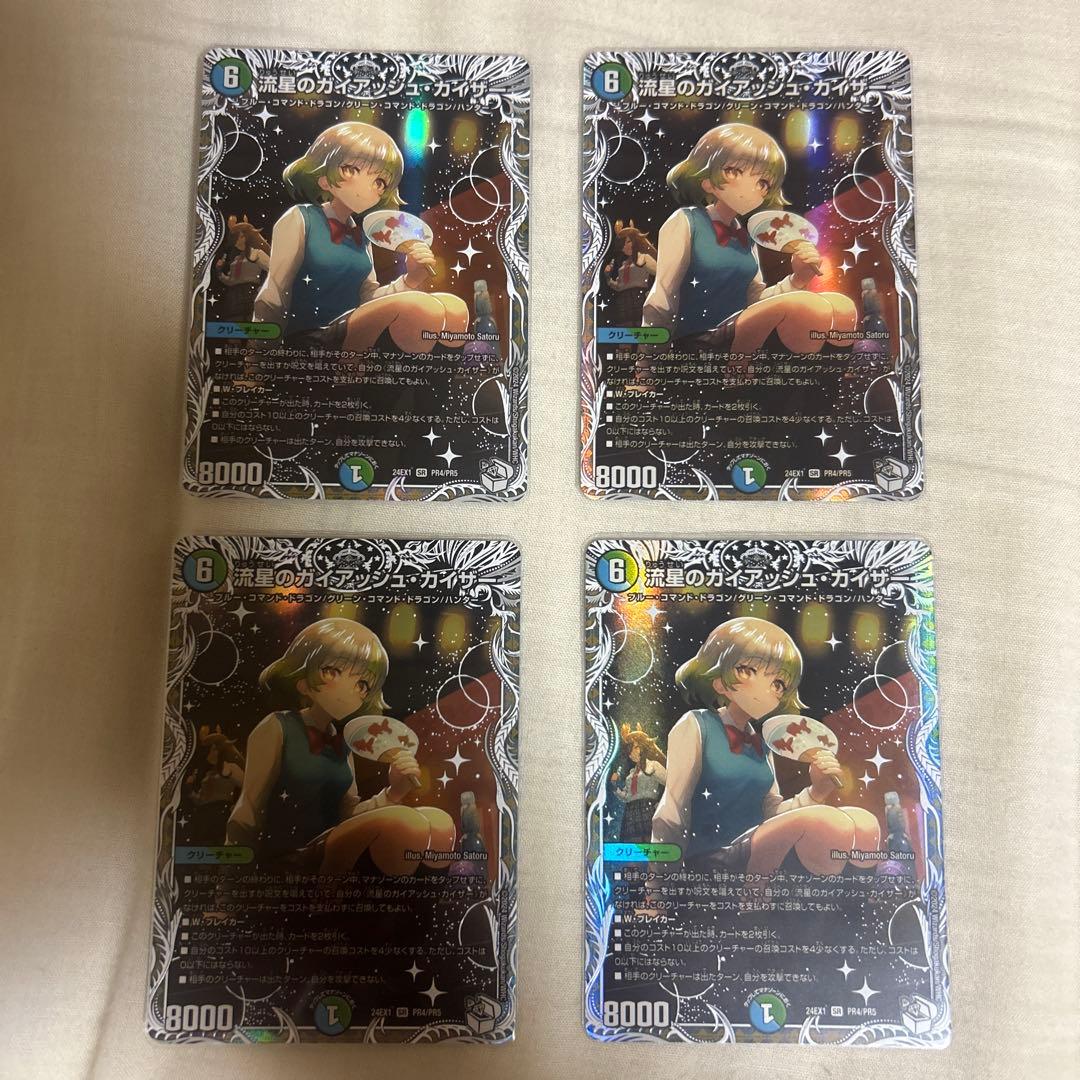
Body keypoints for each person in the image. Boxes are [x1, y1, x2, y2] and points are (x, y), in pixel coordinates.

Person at [652, 617, 882, 879]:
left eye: (778, 683)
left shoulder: (762, 744)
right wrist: (658, 883)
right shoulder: (696, 725)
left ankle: (858, 901)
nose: (769, 689)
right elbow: (672, 810)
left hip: (755, 850)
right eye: (748, 670)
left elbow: (772, 815)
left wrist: (817, 791)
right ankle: (753, 896)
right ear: (719, 681)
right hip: (708, 859)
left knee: (864, 823)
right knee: (834, 824)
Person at [226, 617, 455, 875]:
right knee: (406, 823)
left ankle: (407, 900)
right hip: (286, 859)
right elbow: (248, 810)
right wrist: (231, 884)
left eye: (363, 684)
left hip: (329, 846)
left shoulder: (341, 744)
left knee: (440, 823)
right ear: (303, 680)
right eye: (333, 671)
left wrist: (395, 791)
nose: (353, 690)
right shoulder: (277, 727)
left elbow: (349, 815)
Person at [253, 121, 468, 354]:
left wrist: (411, 278)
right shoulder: (300, 218)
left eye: (380, 182)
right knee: (422, 308)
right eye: (352, 169)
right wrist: (258, 357)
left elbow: (369, 299)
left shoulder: (361, 237)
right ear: (324, 177)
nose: (372, 187)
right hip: (307, 338)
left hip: (351, 331)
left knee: (454, 308)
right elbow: (274, 293)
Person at [642, 123, 856, 355]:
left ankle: (822, 377)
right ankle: (738, 373)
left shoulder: (746, 238)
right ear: (707, 181)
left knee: (842, 307)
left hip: (739, 331)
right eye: (734, 171)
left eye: (764, 182)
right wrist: (647, 363)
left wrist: (798, 278)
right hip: (697, 340)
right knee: (811, 307)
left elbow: (756, 301)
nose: (755, 188)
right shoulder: (685, 221)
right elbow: (661, 297)